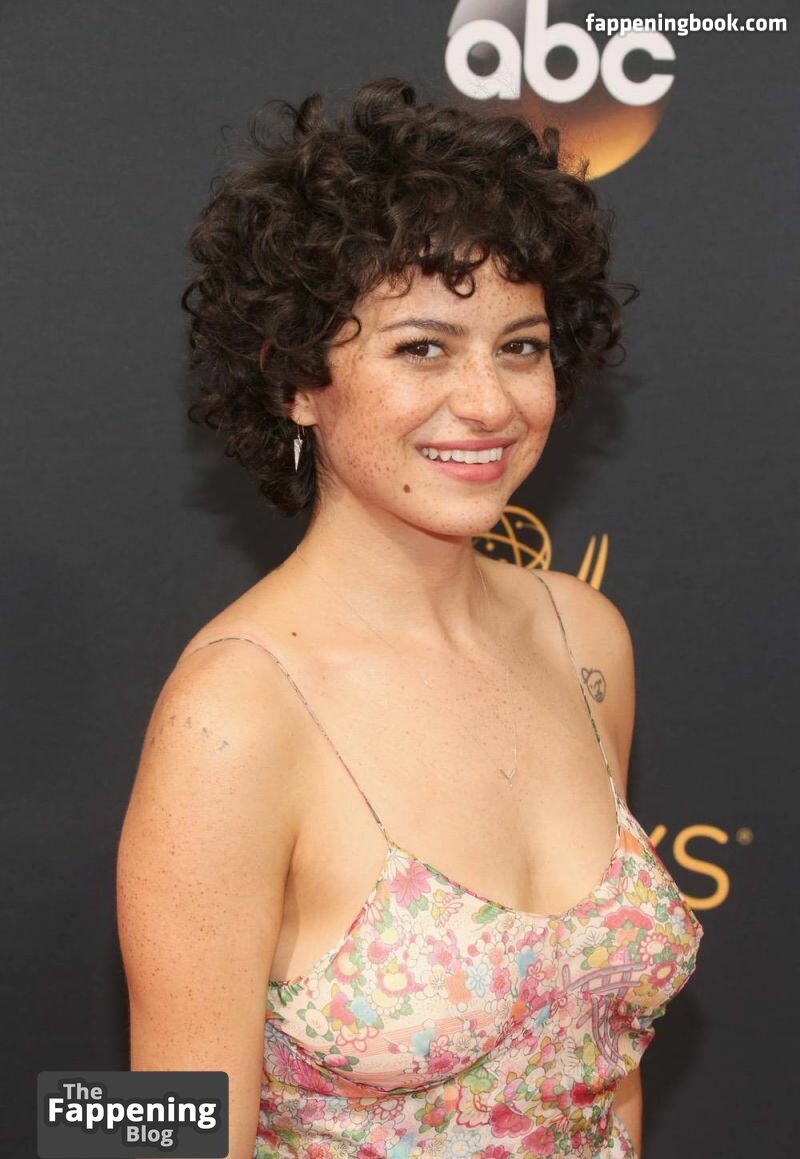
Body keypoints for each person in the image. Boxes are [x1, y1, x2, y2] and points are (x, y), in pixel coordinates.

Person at [116, 78, 704, 1159]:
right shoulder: (234, 715)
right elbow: (164, 1135)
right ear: (297, 379)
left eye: (520, 346)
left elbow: (605, 1067)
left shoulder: (585, 638)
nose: (489, 402)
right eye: (422, 348)